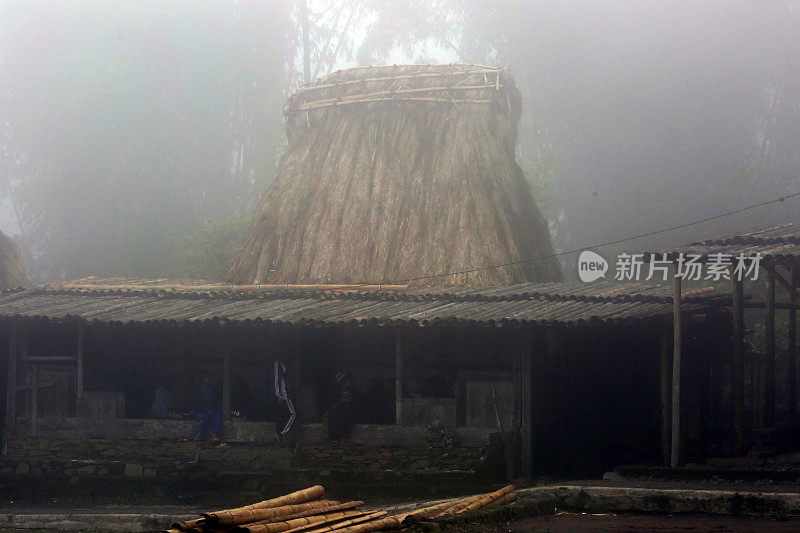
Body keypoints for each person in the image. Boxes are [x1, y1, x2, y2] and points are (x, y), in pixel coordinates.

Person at [324, 372, 357, 443]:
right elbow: (332, 407)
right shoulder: (335, 394)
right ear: (344, 382)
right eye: (348, 380)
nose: (350, 382)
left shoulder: (354, 393)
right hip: (336, 417)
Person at [194, 375, 223, 445]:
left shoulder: (211, 391)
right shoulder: (197, 391)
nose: (208, 380)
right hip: (199, 411)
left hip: (211, 411)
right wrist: (205, 410)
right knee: (205, 417)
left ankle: (215, 436)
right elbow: (196, 404)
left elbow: (215, 403)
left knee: (218, 414)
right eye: (206, 379)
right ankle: (199, 436)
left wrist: (212, 410)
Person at [273, 360, 296, 444]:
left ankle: (280, 433)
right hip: (285, 396)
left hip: (287, 394)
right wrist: (279, 395)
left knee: (283, 415)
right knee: (293, 414)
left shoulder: (284, 365)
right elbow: (277, 379)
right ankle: (280, 433)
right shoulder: (278, 364)